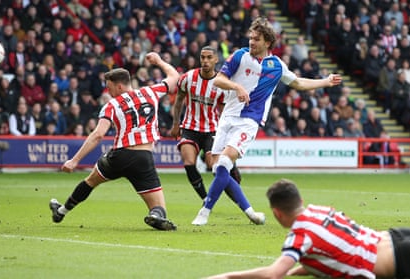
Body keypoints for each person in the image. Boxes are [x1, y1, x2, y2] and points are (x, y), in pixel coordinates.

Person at [191, 17, 342, 226]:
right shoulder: (240, 56)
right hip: (227, 117)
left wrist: (325, 81)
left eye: (256, 39)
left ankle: (204, 211)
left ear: (267, 42)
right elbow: (218, 79)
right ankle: (251, 212)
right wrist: (237, 87)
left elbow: (298, 82)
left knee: (225, 162)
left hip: (249, 120)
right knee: (218, 169)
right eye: (251, 38)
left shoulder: (277, 66)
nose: (251, 42)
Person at [49, 52, 179, 231]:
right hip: (143, 157)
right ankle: (155, 216)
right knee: (159, 209)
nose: (107, 91)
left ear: (119, 86)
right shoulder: (151, 92)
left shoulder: (112, 105)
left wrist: (75, 160)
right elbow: (174, 77)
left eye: (109, 87)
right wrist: (158, 61)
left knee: (90, 182)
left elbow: (98, 134)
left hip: (118, 156)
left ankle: (61, 211)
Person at [206, 178, 406, 279]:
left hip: (400, 259)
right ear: (300, 200)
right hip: (395, 236)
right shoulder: (320, 210)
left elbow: (272, 274)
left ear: (277, 213)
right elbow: (330, 252)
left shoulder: (300, 236)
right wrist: (295, 272)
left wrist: (228, 276)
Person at [170, 46, 241, 201]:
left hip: (212, 129)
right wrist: (176, 124)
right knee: (188, 162)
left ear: (216, 60)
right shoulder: (188, 78)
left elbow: (224, 111)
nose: (205, 61)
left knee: (213, 166)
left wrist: (228, 132)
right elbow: (179, 101)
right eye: (202, 57)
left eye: (209, 57)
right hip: (190, 127)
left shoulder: (221, 84)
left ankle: (232, 170)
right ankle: (205, 198)